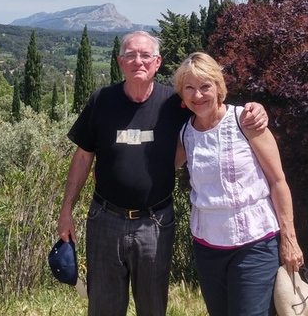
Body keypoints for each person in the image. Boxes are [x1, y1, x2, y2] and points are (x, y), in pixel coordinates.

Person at [57, 31, 269, 316]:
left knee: (153, 307)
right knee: (103, 308)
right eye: (130, 55)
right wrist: (66, 209)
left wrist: (254, 110)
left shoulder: (175, 103)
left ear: (157, 62)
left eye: (145, 55)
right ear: (120, 62)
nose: (138, 61)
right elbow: (83, 157)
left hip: (155, 222)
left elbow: (212, 108)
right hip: (104, 220)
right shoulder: (101, 101)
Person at [173, 52, 304, 316]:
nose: (198, 95)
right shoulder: (186, 132)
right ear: (182, 95)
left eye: (205, 86)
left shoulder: (246, 120)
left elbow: (278, 181)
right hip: (207, 248)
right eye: (190, 88)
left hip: (254, 245)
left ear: (219, 87)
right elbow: (158, 170)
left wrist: (289, 239)